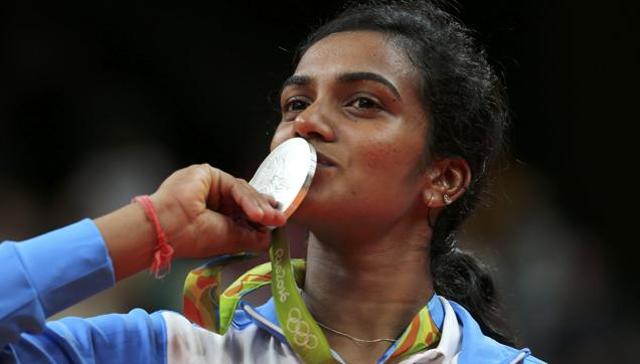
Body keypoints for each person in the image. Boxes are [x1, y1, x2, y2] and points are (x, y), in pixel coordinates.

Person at [1, 1, 544, 363]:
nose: (306, 122)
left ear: (442, 178)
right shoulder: (177, 350)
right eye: (296, 103)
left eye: (362, 102)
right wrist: (151, 228)